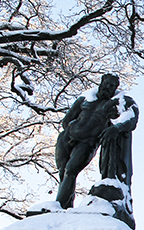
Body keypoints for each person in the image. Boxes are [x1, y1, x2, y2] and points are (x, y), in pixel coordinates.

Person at [54, 74, 138, 208]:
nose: (108, 87)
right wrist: (73, 127)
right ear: (101, 83)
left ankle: (59, 205)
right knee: (63, 171)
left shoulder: (118, 101)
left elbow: (131, 117)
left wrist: (116, 128)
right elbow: (67, 118)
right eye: (106, 83)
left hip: (88, 142)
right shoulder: (86, 98)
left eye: (111, 86)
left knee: (71, 170)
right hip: (67, 137)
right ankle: (65, 205)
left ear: (115, 88)